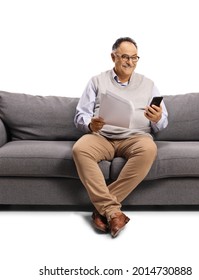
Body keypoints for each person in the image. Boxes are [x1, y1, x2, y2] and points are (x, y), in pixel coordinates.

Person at [73, 37, 168, 237]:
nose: (130, 62)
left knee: (149, 149)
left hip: (136, 137)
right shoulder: (97, 81)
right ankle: (113, 212)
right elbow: (80, 114)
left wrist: (157, 118)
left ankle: (104, 209)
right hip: (102, 137)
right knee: (80, 149)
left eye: (135, 58)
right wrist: (90, 123)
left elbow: (162, 122)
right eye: (125, 57)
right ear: (113, 57)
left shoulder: (149, 84)